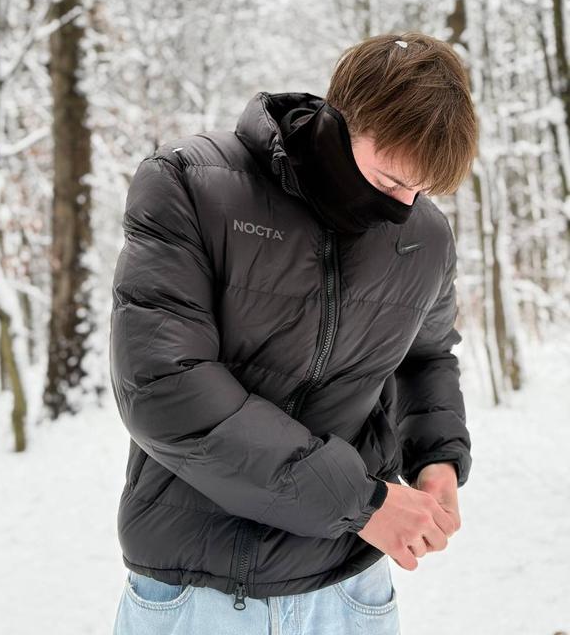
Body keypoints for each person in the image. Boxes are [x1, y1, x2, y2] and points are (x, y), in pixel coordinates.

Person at [110, 31, 479, 634]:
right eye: (389, 181)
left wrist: (436, 456)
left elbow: (425, 356)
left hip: (351, 591)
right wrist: (364, 503)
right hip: (200, 590)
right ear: (341, 121)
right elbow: (163, 389)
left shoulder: (427, 236)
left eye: (421, 191)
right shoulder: (190, 185)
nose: (403, 205)